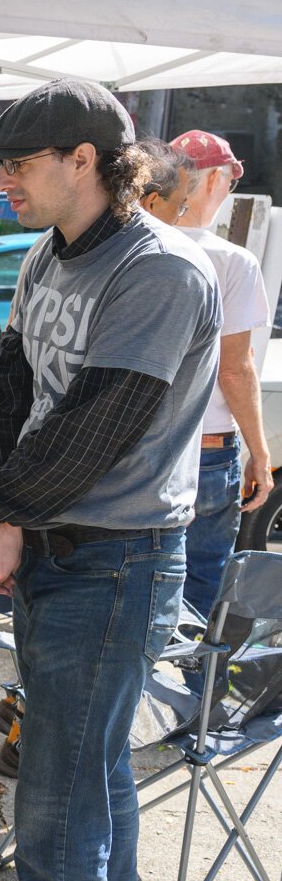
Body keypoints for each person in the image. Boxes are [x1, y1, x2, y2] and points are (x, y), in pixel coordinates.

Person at [0, 80, 220, 881]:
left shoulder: (162, 271)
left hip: (116, 562)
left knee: (58, 792)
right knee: (92, 777)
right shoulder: (48, 256)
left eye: (21, 165)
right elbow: (10, 388)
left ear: (85, 161)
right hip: (55, 544)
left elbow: (100, 426)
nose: (4, 183)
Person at [168, 129, 273, 618]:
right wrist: (259, 451)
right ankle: (191, 689)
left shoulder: (128, 249)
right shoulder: (233, 261)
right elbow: (236, 370)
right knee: (203, 581)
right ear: (212, 180)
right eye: (229, 180)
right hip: (208, 448)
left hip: (138, 446)